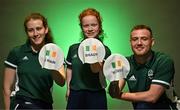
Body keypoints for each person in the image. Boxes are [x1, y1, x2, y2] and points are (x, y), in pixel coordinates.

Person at [3, 13, 65, 110]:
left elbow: (61, 82)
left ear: (46, 29)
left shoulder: (55, 53)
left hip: (45, 104)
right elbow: (6, 88)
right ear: (27, 32)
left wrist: (51, 64)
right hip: (22, 103)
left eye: (39, 28)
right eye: (31, 30)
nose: (35, 33)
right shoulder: (17, 52)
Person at [108, 24, 176, 109]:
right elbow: (115, 90)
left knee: (143, 106)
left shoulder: (163, 61)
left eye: (144, 39)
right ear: (130, 42)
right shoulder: (125, 62)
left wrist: (118, 95)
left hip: (166, 107)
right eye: (135, 39)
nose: (139, 43)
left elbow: (152, 97)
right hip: (141, 107)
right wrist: (111, 75)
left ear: (152, 42)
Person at [65, 8, 111, 109]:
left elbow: (95, 70)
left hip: (96, 95)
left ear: (99, 26)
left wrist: (92, 51)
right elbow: (69, 68)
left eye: (93, 25)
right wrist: (68, 88)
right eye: (86, 25)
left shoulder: (105, 50)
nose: (90, 29)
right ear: (81, 28)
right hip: (75, 94)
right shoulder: (73, 48)